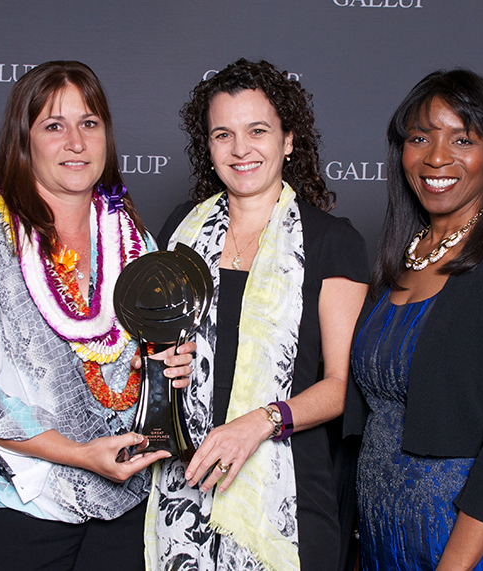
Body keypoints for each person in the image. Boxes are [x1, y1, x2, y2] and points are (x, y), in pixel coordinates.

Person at [0, 61, 194, 571]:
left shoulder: (136, 244)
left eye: (89, 123)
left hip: (125, 515)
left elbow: (146, 368)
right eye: (54, 125)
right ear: (24, 142)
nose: (76, 141)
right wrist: (79, 454)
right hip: (17, 515)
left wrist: (170, 369)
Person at [148, 59, 369, 571]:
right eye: (222, 134)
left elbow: (339, 386)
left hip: (288, 492)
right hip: (183, 488)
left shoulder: (332, 242)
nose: (240, 149)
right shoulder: (182, 227)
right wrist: (164, 365)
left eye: (257, 131)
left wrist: (258, 423)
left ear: (288, 140)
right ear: (208, 146)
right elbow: (156, 356)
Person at [345, 69, 483, 570]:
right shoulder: (399, 258)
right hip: (385, 530)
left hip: (471, 539)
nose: (436, 157)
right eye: (420, 138)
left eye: (462, 139)